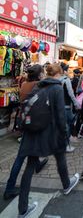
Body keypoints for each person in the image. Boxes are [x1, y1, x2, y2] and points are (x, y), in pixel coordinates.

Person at [17, 63, 80, 218]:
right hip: (50, 133)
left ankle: (23, 209)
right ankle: (66, 185)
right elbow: (60, 115)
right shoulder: (57, 88)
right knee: (60, 158)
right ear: (58, 74)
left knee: (29, 169)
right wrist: (65, 134)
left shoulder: (38, 86)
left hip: (33, 133)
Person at [3, 65, 48, 201]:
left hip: (25, 122)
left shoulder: (24, 84)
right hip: (34, 123)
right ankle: (10, 188)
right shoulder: (39, 86)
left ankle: (37, 163)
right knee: (21, 156)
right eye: (43, 73)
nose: (44, 75)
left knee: (27, 150)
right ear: (39, 75)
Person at [60, 63, 81, 152]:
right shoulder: (66, 80)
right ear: (64, 71)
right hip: (66, 106)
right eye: (67, 70)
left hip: (58, 106)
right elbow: (71, 94)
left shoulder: (56, 79)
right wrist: (76, 104)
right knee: (68, 125)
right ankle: (66, 145)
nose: (69, 72)